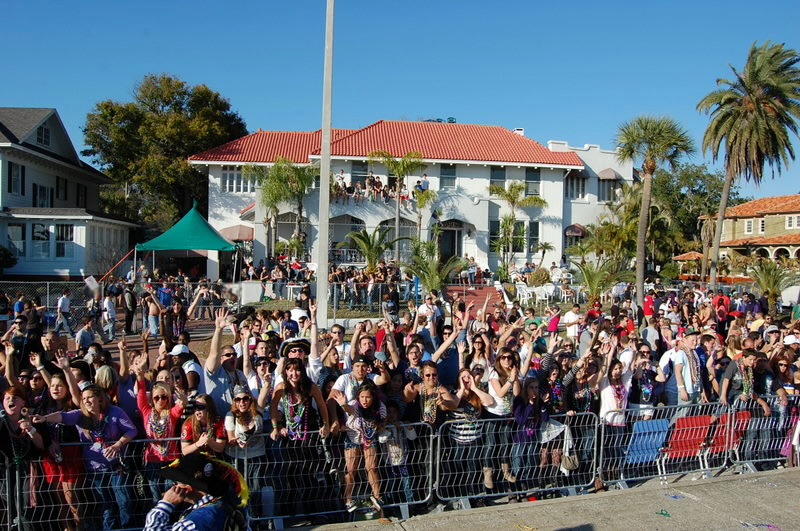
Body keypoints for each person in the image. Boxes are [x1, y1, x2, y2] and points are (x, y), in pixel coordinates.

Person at [33, 385, 138, 531]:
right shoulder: (81, 415)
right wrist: (44, 418)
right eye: (83, 398)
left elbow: (132, 430)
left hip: (116, 467)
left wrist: (117, 445)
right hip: (95, 470)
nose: (86, 401)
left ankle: (128, 528)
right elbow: (63, 416)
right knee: (106, 505)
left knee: (124, 501)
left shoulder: (115, 412)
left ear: (99, 399)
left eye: (89, 397)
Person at [143, 452, 249, 530]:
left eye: (176, 483)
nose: (173, 487)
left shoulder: (201, 517)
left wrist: (165, 505)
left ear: (188, 488)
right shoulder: (228, 501)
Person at [134, 359, 186, 504]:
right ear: (152, 399)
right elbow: (140, 394)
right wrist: (140, 375)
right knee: (156, 494)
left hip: (171, 461)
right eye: (156, 397)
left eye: (164, 397)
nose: (160, 400)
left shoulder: (172, 413)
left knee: (172, 494)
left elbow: (182, 404)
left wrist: (180, 395)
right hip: (152, 460)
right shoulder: (146, 411)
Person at [334, 382, 387, 512]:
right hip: (353, 438)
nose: (365, 400)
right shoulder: (354, 404)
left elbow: (383, 420)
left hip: (369, 438)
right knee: (352, 470)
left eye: (368, 397)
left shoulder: (380, 406)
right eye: (362, 397)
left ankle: (377, 497)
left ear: (373, 397)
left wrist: (380, 428)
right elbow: (350, 410)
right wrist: (344, 404)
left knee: (372, 467)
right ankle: (348, 500)